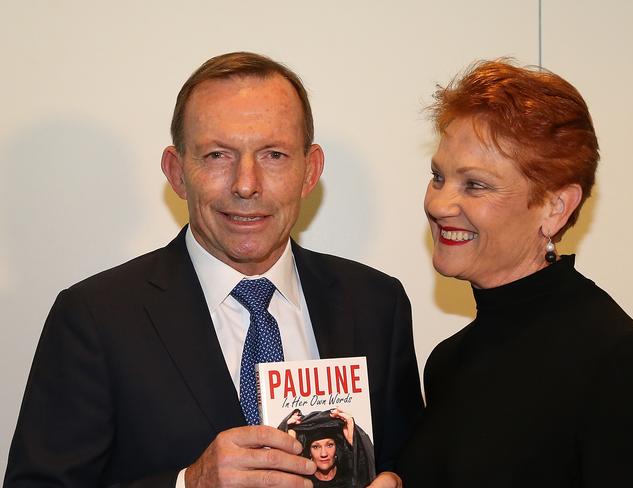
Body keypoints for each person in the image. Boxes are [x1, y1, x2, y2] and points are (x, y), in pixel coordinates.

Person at [5, 52, 422, 488]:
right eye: (218, 155)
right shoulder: (95, 318)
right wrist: (189, 484)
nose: (246, 184)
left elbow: (415, 464)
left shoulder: (377, 305)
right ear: (177, 172)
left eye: (274, 154)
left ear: (309, 170)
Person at [397, 59, 633, 487]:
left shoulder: (616, 363)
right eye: (438, 176)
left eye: (474, 184)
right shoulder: (448, 361)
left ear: (555, 208)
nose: (439, 204)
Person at [281, 408, 375, 487]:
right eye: (316, 447)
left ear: (337, 448)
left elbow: (368, 471)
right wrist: (286, 436)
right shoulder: (301, 482)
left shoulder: (351, 475)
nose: (324, 454)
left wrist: (354, 441)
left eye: (330, 445)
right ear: (309, 452)